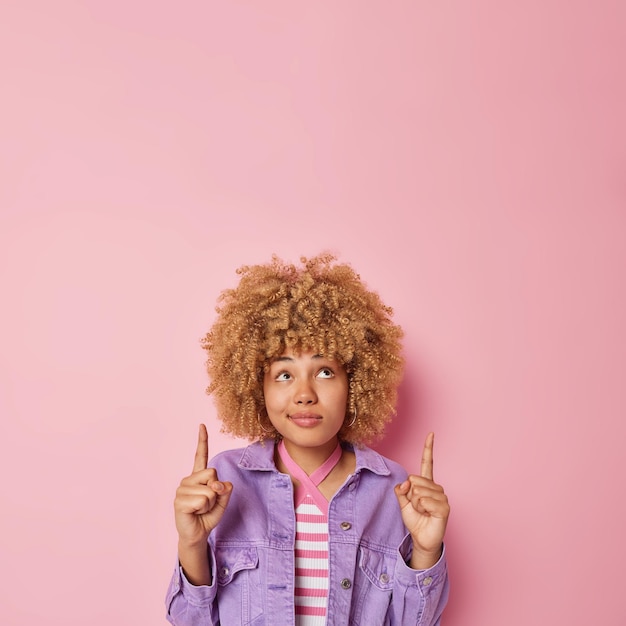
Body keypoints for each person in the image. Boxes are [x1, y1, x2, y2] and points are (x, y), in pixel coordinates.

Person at [165, 254, 450, 625]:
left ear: (356, 382)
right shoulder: (223, 482)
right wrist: (192, 543)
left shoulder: (395, 492)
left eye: (326, 371)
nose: (304, 394)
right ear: (256, 386)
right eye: (284, 374)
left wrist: (427, 551)